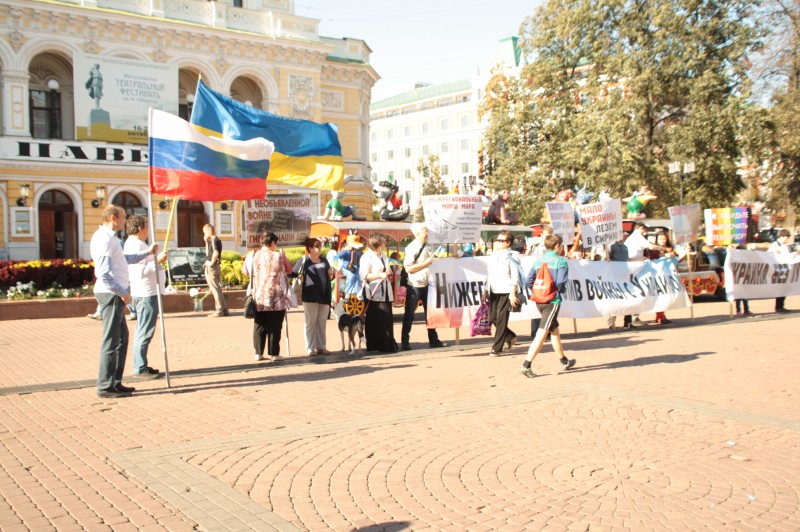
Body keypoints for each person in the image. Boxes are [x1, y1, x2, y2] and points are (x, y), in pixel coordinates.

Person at [91, 205, 157, 398]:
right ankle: (105, 386)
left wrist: (147, 253)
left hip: (114, 294)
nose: (125, 221)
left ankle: (115, 381)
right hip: (111, 294)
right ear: (113, 218)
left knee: (121, 339)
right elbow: (102, 273)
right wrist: (122, 293)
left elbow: (123, 259)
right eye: (123, 217)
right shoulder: (104, 239)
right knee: (111, 341)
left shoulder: (111, 239)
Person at [520, 234, 575, 378]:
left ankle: (564, 360)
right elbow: (561, 282)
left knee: (554, 330)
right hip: (552, 301)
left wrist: (539, 291)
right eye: (561, 245)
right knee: (542, 333)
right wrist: (556, 292)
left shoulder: (538, 261)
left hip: (540, 301)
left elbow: (528, 281)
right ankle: (526, 364)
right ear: (557, 246)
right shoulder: (560, 262)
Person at [124, 215, 168, 379]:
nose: (148, 230)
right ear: (141, 228)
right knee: (144, 330)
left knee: (144, 330)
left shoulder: (138, 244)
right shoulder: (134, 245)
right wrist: (157, 261)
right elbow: (137, 271)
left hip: (149, 292)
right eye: (147, 226)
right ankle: (139, 367)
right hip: (146, 293)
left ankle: (141, 364)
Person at [400, 223, 448, 350]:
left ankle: (433, 339)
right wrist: (425, 263)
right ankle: (405, 341)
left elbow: (433, 261)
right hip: (414, 285)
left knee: (430, 314)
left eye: (427, 232)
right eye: (424, 232)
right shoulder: (411, 248)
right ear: (417, 234)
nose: (427, 234)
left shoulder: (427, 246)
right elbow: (409, 268)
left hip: (428, 284)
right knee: (409, 314)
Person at [250, 232, 293, 361]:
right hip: (277, 296)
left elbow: (246, 271)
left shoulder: (254, 255)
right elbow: (289, 269)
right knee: (275, 326)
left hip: (259, 295)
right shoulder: (279, 255)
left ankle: (258, 353)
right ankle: (274, 353)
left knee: (259, 325)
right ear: (273, 243)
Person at [481, 230, 521, 356]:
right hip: (493, 289)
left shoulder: (513, 255)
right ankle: (510, 336)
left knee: (502, 319)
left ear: (508, 243)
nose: (498, 242)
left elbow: (515, 275)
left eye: (501, 240)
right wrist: (485, 290)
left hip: (506, 290)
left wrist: (513, 292)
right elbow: (489, 274)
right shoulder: (494, 255)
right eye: (497, 240)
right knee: (493, 317)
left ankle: (497, 348)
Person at [294, 237, 334, 355]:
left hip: (324, 295)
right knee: (311, 322)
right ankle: (310, 347)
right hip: (310, 295)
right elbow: (293, 273)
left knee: (322, 322)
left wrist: (331, 274)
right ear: (310, 248)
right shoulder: (304, 260)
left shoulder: (324, 261)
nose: (319, 249)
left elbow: (330, 276)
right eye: (317, 246)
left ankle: (321, 346)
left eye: (320, 246)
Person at [359, 234, 398, 353]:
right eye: (383, 242)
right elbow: (363, 276)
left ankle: (387, 343)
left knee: (386, 317)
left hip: (385, 291)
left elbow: (386, 270)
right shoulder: (366, 257)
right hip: (373, 291)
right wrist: (380, 275)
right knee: (374, 318)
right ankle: (374, 344)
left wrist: (389, 272)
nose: (385, 244)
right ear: (377, 244)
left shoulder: (384, 256)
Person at [527, 225, 553, 335]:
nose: (548, 238)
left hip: (548, 277)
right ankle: (535, 330)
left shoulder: (552, 246)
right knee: (538, 303)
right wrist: (528, 251)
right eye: (547, 236)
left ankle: (546, 329)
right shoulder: (535, 246)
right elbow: (529, 259)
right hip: (538, 277)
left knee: (547, 304)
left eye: (550, 236)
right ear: (541, 235)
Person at [651, 231, 677, 325]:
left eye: (664, 239)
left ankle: (662, 315)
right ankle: (660, 316)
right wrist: (664, 255)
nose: (662, 240)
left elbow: (676, 261)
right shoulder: (654, 248)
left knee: (666, 295)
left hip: (668, 274)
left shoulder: (670, 249)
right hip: (657, 275)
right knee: (659, 295)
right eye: (660, 239)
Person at [203, 224, 229, 317]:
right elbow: (207, 253)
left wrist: (211, 263)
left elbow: (216, 253)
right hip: (215, 267)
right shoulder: (212, 241)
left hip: (212, 268)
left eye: (205, 232)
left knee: (215, 289)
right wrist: (206, 242)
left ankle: (219, 310)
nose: (204, 234)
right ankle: (224, 309)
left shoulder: (214, 240)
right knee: (217, 288)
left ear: (209, 231)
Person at [608, 234, 630, 329]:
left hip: (624, 274)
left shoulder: (625, 247)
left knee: (629, 298)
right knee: (615, 299)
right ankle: (611, 322)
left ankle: (628, 321)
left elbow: (627, 260)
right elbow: (607, 258)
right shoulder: (611, 246)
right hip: (615, 275)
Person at [768, 229, 792, 313]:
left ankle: (781, 305)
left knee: (784, 288)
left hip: (785, 269)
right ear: (781, 236)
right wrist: (774, 252)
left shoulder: (785, 245)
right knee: (780, 288)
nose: (787, 239)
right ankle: (778, 306)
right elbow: (768, 255)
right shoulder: (775, 244)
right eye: (786, 237)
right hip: (778, 269)